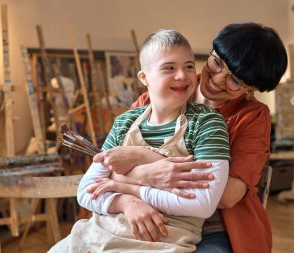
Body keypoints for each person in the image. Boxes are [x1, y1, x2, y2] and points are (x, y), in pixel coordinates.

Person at [95, 22, 288, 253]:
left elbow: (226, 196)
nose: (217, 80)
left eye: (234, 80)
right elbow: (104, 169)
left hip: (215, 227)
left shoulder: (252, 116)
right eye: (216, 63)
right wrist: (133, 193)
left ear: (251, 89)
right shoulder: (155, 96)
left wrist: (141, 159)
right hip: (145, 213)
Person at [49, 28, 230, 252]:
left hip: (161, 240)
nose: (182, 75)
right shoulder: (125, 122)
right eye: (169, 68)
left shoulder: (207, 124)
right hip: (98, 232)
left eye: (189, 66)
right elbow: (87, 189)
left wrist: (128, 188)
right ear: (144, 78)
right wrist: (126, 202)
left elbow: (202, 204)